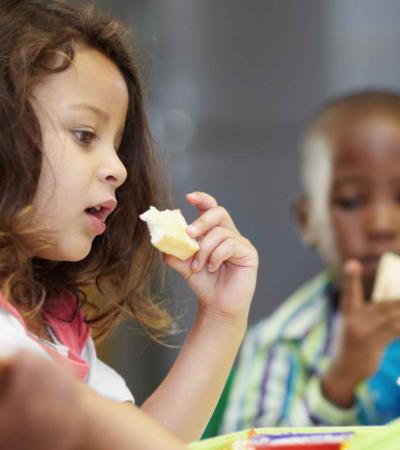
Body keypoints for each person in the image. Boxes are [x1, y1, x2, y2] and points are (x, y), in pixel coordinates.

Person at [0, 1, 258, 448]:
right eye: (85, 135)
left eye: (119, 146)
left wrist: (222, 318)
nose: (118, 168)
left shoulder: (55, 322)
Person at [214, 90, 400, 434]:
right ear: (306, 220)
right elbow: (252, 444)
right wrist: (340, 381)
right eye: (351, 201)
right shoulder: (283, 342)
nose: (382, 225)